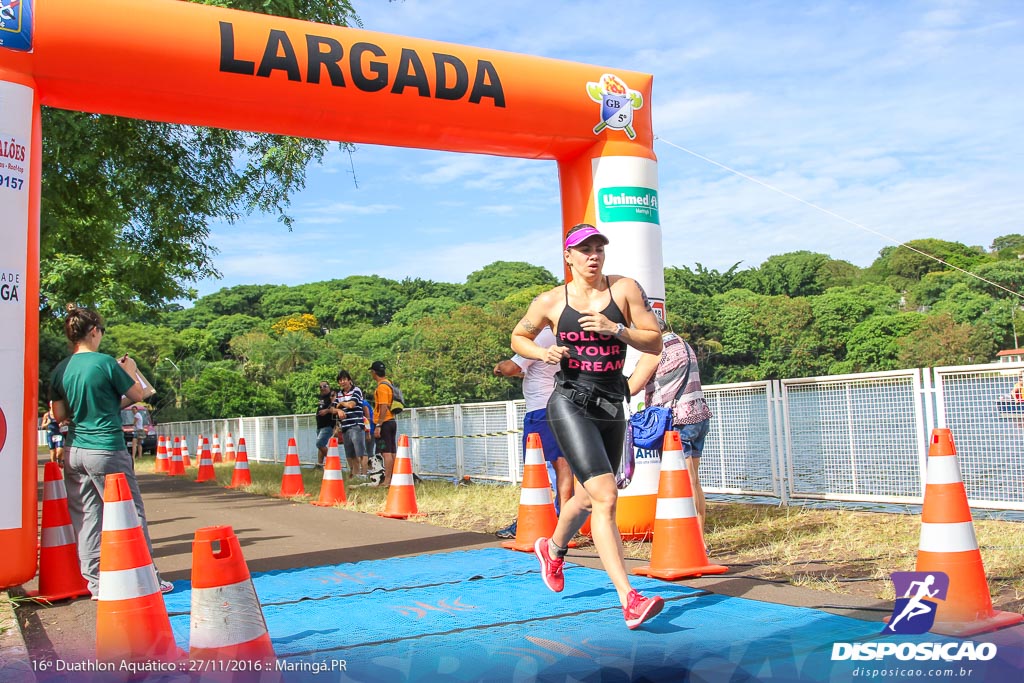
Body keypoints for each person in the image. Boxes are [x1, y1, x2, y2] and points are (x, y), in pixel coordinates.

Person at [511, 223, 665, 629]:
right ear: (569, 257)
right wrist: (542, 355)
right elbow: (518, 338)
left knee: (585, 496)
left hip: (612, 405)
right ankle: (628, 598)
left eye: (599, 248)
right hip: (569, 403)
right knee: (606, 496)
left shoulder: (625, 290)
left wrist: (617, 330)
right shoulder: (549, 301)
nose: (593, 256)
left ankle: (553, 547)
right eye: (584, 250)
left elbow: (655, 342)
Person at [48, 305, 172, 598]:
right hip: (105, 448)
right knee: (130, 513)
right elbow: (138, 395)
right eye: (101, 332)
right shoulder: (105, 363)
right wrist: (127, 370)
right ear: (93, 332)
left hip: (74, 450)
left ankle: (96, 584)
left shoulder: (61, 369)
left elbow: (59, 414)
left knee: (88, 516)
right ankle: (146, 578)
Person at [628, 320, 714, 551]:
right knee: (693, 480)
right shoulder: (683, 343)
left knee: (682, 482)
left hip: (675, 420)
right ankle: (700, 539)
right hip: (698, 414)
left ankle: (692, 542)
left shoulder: (655, 349)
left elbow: (633, 386)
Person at [493, 325, 573, 539]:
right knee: (562, 463)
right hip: (564, 406)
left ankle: (532, 521)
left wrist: (500, 365)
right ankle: (565, 521)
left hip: (540, 408)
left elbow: (511, 368)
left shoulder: (541, 336)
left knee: (534, 466)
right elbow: (531, 369)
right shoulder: (566, 333)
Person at [369, 360, 398, 488]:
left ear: (374, 372)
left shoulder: (381, 387)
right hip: (392, 420)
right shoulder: (389, 384)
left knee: (386, 452)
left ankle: (387, 480)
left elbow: (384, 406)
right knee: (392, 452)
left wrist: (378, 425)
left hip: (385, 422)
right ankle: (395, 477)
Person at [335, 370, 368, 479]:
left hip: (356, 425)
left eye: (344, 379)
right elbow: (332, 408)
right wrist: (338, 410)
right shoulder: (339, 394)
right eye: (340, 380)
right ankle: (355, 474)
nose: (342, 382)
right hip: (345, 427)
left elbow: (351, 405)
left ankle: (364, 474)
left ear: (349, 380)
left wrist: (341, 404)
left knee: (361, 452)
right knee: (350, 454)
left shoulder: (356, 390)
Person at [314, 381, 335, 469]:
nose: (323, 388)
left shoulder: (332, 394)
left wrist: (326, 411)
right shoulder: (321, 397)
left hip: (328, 424)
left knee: (320, 443)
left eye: (325, 386)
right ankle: (320, 465)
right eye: (321, 387)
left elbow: (335, 406)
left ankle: (333, 463)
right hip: (320, 425)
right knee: (320, 446)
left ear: (329, 386)